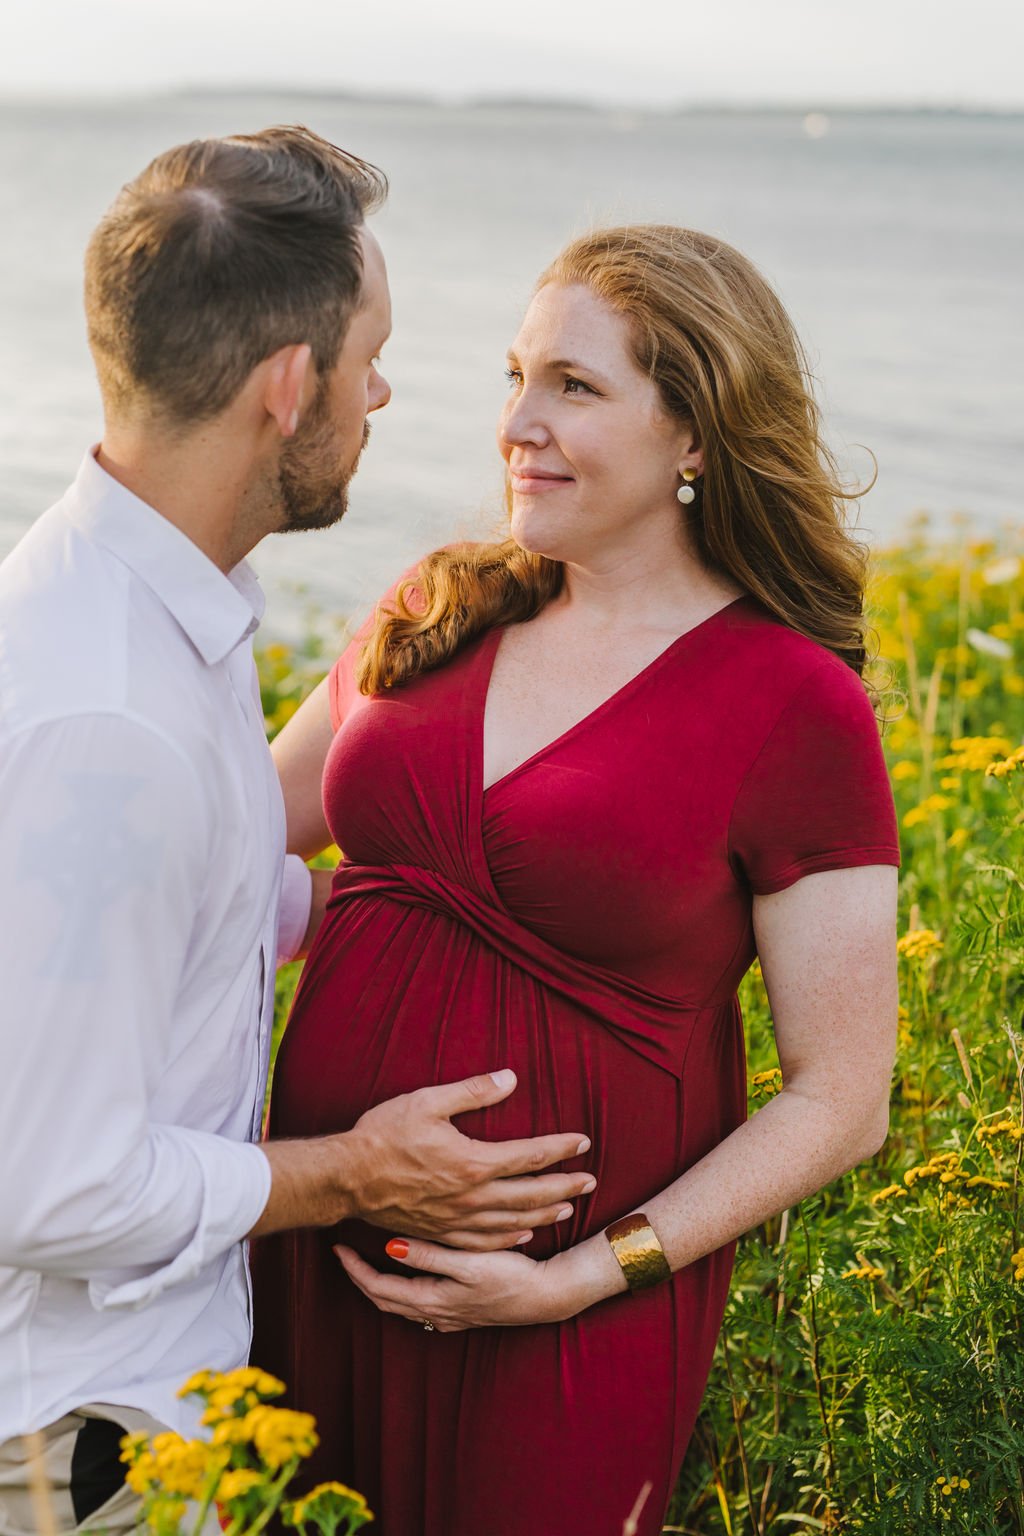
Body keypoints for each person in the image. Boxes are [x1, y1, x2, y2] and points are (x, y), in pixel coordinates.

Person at [253, 223, 901, 1536]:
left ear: (697, 438)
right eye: (515, 375)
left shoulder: (793, 705)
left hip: (559, 1312)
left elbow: (843, 1099)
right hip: (308, 1239)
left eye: (575, 387)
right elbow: (227, 849)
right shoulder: (433, 608)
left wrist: (580, 1280)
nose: (517, 423)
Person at [0, 127, 595, 1536]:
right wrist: (355, 1174)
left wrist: (449, 913)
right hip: (81, 1458)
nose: (383, 392)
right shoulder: (106, 718)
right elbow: (47, 1184)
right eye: (367, 354)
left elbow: (189, 911)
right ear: (287, 385)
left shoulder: (147, 605)